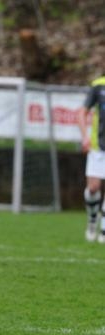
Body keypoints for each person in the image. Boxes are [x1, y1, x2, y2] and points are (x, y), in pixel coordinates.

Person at [78, 74, 105, 243]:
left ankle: (104, 230)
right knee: (93, 188)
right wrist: (84, 137)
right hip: (97, 146)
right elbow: (82, 112)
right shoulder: (98, 86)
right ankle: (92, 220)